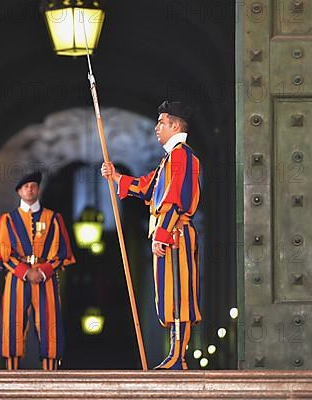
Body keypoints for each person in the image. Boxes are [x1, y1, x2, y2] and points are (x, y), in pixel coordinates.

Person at [101, 101, 201, 370]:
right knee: (168, 297)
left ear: (175, 126)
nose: (156, 128)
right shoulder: (169, 159)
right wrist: (116, 177)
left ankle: (178, 356)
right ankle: (174, 354)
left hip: (175, 235)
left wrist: (163, 234)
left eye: (161, 123)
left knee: (179, 297)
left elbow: (174, 199)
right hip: (169, 236)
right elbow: (147, 188)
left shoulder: (181, 156)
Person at [0, 171, 76, 370]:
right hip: (17, 277)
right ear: (19, 191)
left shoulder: (54, 218)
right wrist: (25, 272)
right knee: (13, 321)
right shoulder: (8, 220)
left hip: (45, 277)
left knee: (49, 322)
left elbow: (63, 251)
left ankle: (50, 373)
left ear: (38, 189)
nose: (29, 189)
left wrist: (44, 271)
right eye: (25, 186)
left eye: (33, 186)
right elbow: (2, 252)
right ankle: (11, 373)